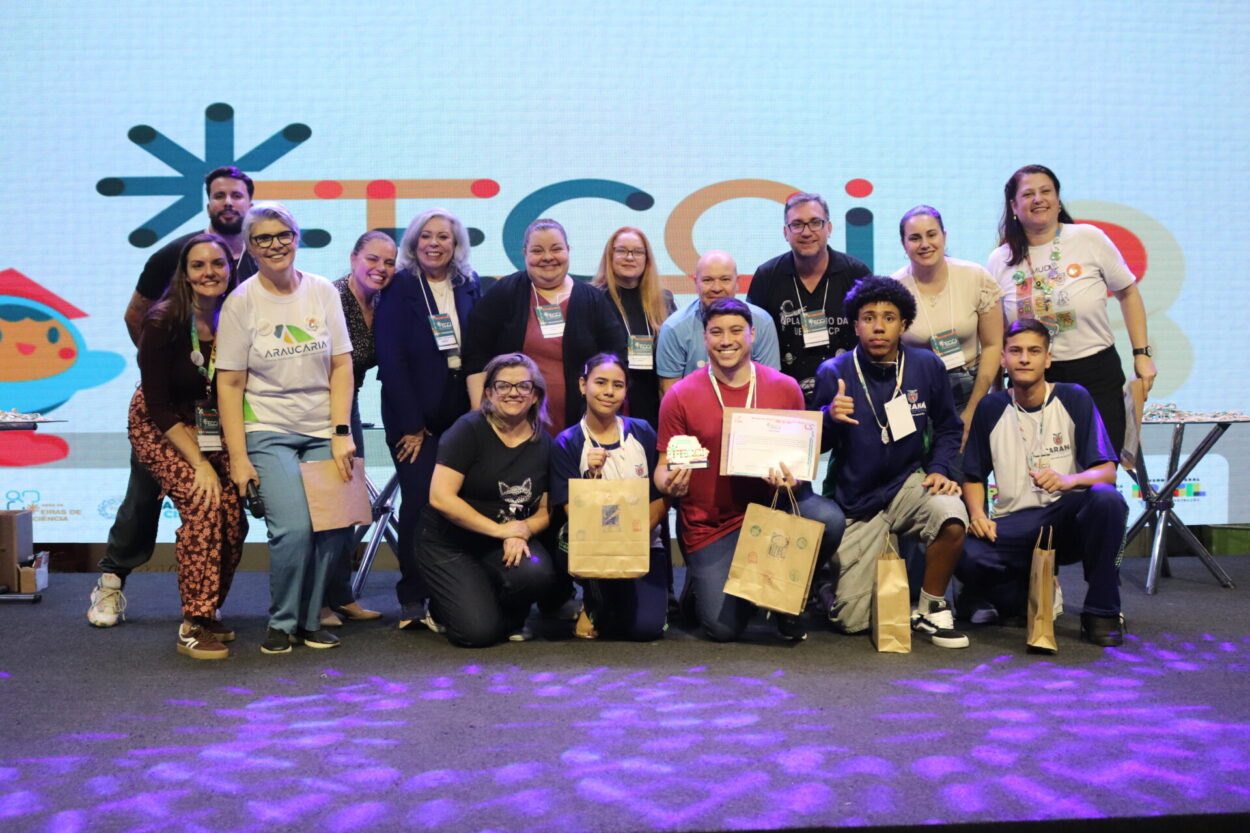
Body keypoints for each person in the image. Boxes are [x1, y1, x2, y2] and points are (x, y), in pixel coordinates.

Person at [89, 165, 257, 628]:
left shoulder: (255, 263)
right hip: (163, 412)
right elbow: (135, 315)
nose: (228, 202)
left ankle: (208, 602)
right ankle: (111, 582)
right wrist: (169, 365)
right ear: (207, 203)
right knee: (144, 499)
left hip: (212, 411)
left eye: (236, 195)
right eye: (219, 195)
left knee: (227, 506)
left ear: (248, 202)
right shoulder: (174, 255)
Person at [655, 298, 846, 642]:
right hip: (711, 524)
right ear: (705, 336)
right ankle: (707, 588)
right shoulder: (680, 396)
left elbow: (800, 467)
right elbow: (662, 469)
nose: (726, 340)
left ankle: (789, 601)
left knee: (828, 519)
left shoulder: (784, 388)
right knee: (722, 629)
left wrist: (793, 476)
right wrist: (670, 484)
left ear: (753, 334)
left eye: (735, 331)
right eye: (716, 332)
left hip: (772, 510)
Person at [216, 202, 356, 655]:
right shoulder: (241, 301)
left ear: (297, 238)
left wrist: (341, 431)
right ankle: (283, 620)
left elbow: (341, 364)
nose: (275, 245)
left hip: (321, 427)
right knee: (294, 528)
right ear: (251, 248)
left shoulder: (321, 291)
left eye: (283, 235)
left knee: (332, 526)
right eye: (263, 239)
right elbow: (230, 381)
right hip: (267, 429)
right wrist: (238, 457)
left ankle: (312, 618)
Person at [814, 275, 969, 648]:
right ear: (855, 324)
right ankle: (824, 583)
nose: (879, 326)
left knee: (951, 513)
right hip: (856, 502)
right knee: (853, 621)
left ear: (904, 324)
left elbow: (949, 427)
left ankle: (930, 607)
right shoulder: (834, 373)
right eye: (868, 317)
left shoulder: (926, 366)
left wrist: (939, 469)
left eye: (889, 317)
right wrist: (828, 416)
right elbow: (812, 446)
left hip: (906, 485)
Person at [958, 319, 1128, 646]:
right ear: (1004, 359)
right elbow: (973, 475)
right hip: (1017, 522)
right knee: (963, 550)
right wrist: (977, 514)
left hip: (1067, 516)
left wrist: (1069, 480)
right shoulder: (991, 407)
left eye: (1034, 351)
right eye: (1016, 351)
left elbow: (1107, 471)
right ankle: (1023, 588)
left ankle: (1101, 610)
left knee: (1108, 499)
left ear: (1047, 359)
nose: (1024, 358)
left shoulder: (1074, 397)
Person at [128, 233, 246, 658]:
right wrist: (198, 462)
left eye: (218, 264)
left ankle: (210, 609)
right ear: (185, 274)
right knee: (205, 502)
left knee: (234, 518)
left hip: (206, 423)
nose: (209, 273)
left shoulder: (235, 317)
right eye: (199, 265)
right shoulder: (162, 322)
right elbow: (158, 407)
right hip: (160, 426)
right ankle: (193, 624)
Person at [987, 164, 1157, 455]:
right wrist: (995, 389)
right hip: (1033, 379)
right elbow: (997, 333)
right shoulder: (999, 260)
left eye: (1046, 191)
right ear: (1014, 206)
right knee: (1044, 472)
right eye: (1028, 194)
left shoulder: (1088, 238)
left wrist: (1141, 354)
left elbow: (1128, 293)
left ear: (1057, 199)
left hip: (1095, 372)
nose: (1038, 199)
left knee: (1100, 470)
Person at [376, 208, 482, 632]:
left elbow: (478, 350)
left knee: (459, 504)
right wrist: (412, 426)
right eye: (426, 236)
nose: (435, 243)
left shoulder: (469, 285)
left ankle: (450, 595)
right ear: (414, 243)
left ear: (456, 245)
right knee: (420, 503)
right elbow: (392, 358)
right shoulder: (400, 286)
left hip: (460, 414)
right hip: (412, 419)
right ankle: (413, 598)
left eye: (444, 237)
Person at [419, 353, 558, 647]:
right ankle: (442, 608)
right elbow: (440, 497)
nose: (513, 393)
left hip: (502, 542)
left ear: (535, 395)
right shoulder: (468, 430)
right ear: (489, 393)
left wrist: (523, 530)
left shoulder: (544, 442)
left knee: (538, 574)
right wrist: (501, 530)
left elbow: (546, 510)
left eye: (523, 386)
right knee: (478, 635)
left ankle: (497, 610)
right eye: (503, 386)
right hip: (450, 542)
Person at [464, 219, 627, 436]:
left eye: (556, 249)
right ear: (525, 254)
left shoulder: (593, 300)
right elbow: (475, 354)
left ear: (568, 251)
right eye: (537, 250)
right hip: (511, 427)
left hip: (581, 428)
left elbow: (616, 358)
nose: (548, 257)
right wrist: (481, 413)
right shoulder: (504, 293)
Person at [550, 353, 668, 641]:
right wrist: (591, 479)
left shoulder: (642, 432)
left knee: (645, 629)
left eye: (618, 385)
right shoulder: (566, 442)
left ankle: (615, 604)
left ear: (626, 391)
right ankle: (594, 600)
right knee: (566, 540)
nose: (608, 391)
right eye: (600, 382)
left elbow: (661, 496)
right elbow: (572, 511)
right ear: (582, 384)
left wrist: (635, 537)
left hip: (643, 542)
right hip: (595, 542)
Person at [319, 230, 397, 628]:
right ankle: (316, 603)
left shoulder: (387, 303)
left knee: (351, 509)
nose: (380, 269)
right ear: (353, 258)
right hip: (321, 407)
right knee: (329, 510)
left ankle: (340, 595)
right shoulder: (330, 297)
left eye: (388, 262)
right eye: (372, 259)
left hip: (349, 404)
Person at [893, 205, 1003, 450]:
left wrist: (975, 408)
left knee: (963, 471)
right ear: (903, 244)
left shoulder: (976, 277)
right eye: (914, 238)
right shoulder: (894, 289)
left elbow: (994, 345)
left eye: (931, 234)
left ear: (944, 235)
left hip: (972, 388)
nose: (925, 244)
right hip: (918, 394)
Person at [747, 192, 871, 407]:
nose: (806, 232)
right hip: (784, 397)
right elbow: (752, 339)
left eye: (815, 223)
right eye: (797, 224)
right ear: (786, 232)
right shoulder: (767, 276)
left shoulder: (856, 273)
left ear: (829, 228)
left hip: (850, 395)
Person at [656, 250, 780, 393]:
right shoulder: (674, 328)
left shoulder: (762, 322)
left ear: (737, 283)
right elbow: (670, 394)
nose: (716, 288)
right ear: (696, 282)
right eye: (707, 280)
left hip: (748, 412)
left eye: (725, 279)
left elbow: (770, 387)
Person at [591, 227, 676, 428]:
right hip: (609, 399)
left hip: (653, 399)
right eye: (622, 251)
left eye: (637, 252)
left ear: (647, 259)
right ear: (610, 256)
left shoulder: (663, 299)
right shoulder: (593, 298)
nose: (630, 257)